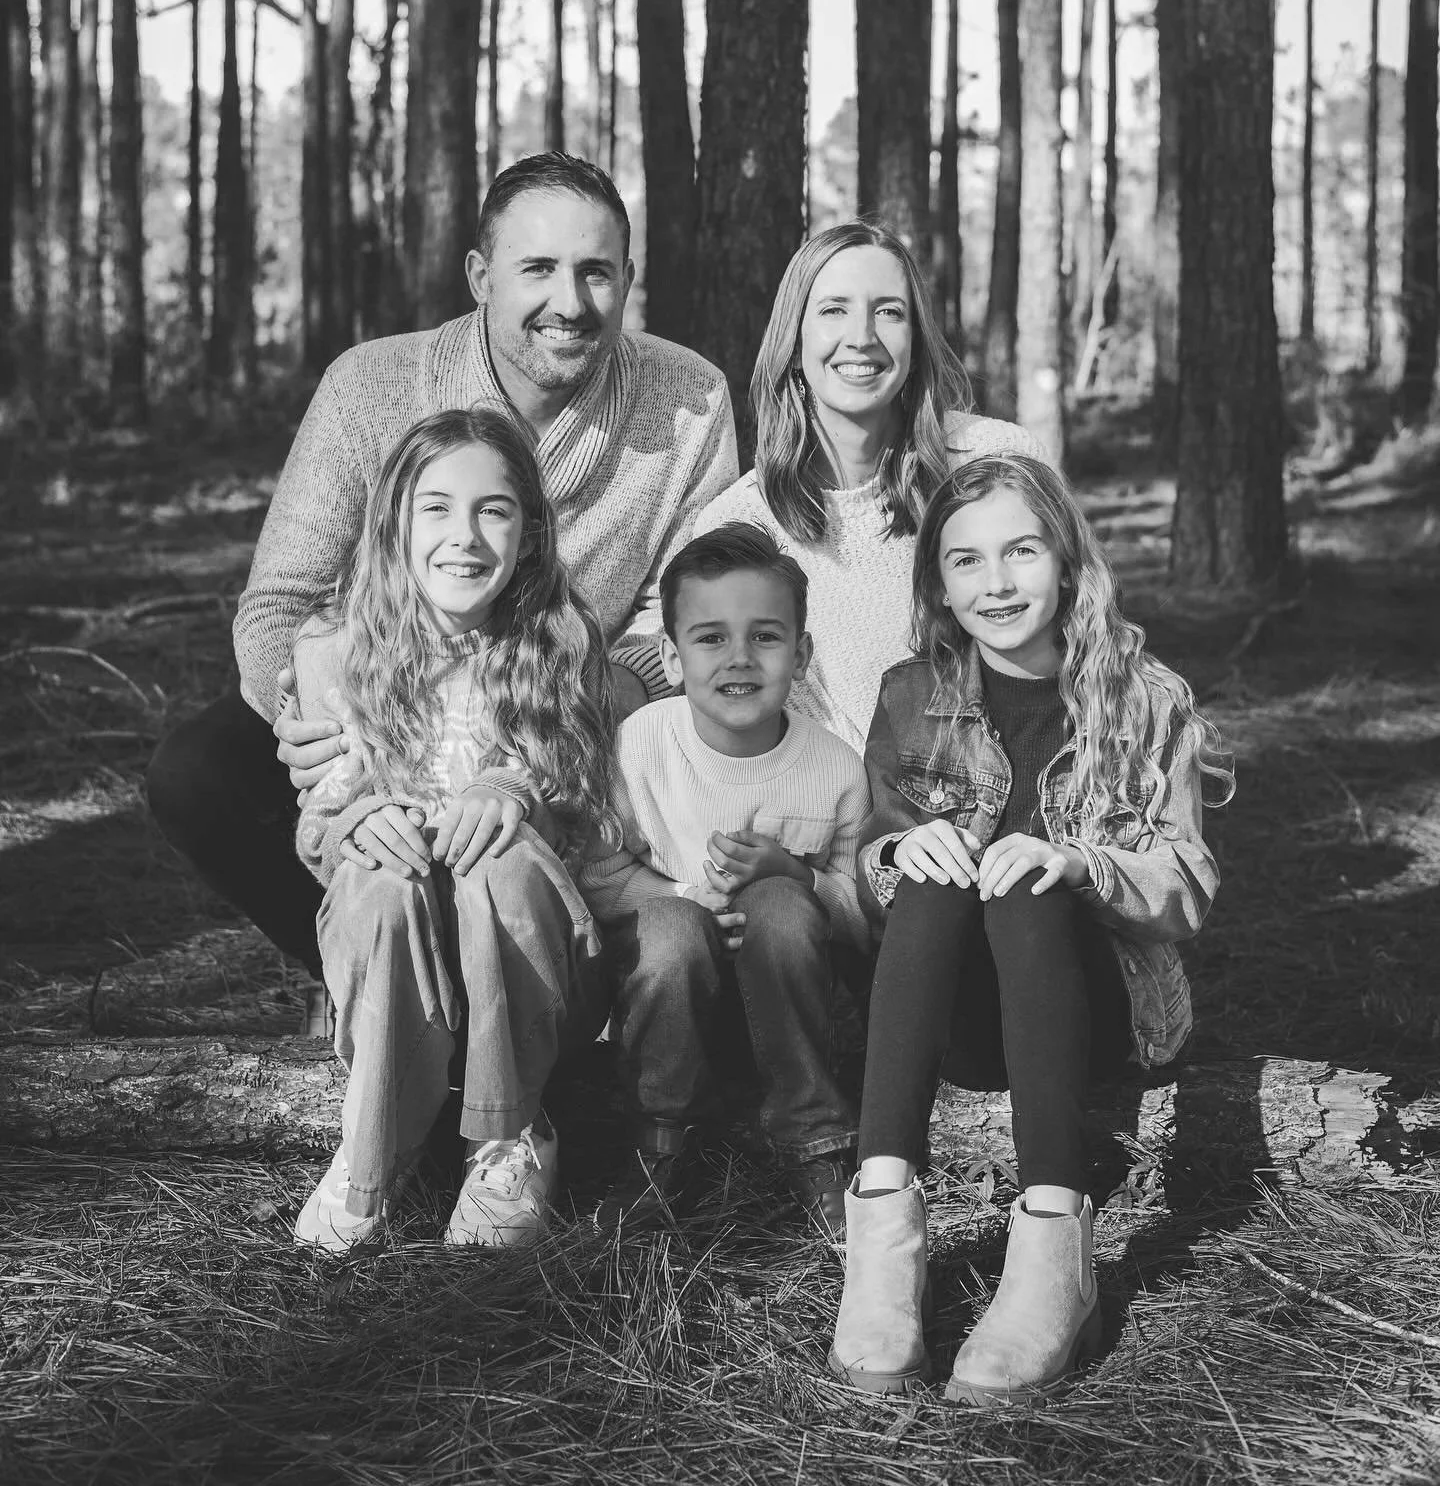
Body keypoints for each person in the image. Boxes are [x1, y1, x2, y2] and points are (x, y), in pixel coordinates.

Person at [146, 153, 736, 1020]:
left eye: (595, 271)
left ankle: (548, 993)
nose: (568, 302)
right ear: (479, 276)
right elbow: (280, 602)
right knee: (195, 773)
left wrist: (558, 721)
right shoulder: (371, 385)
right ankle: (373, 981)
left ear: (628, 280)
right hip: (381, 705)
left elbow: (687, 618)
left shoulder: (689, 400)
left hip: (566, 713)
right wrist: (325, 727)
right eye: (536, 268)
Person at [828, 453, 1231, 1403]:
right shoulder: (907, 694)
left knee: (1029, 880)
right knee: (932, 869)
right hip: (966, 1019)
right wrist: (897, 855)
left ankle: (1055, 1235)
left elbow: (1188, 884)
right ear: (937, 583)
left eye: (1021, 551)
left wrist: (1081, 864)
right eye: (965, 561)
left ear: (1067, 559)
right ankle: (882, 1232)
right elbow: (868, 860)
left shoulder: (1148, 700)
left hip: (1102, 1015)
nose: (997, 582)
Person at [290, 408, 617, 1253]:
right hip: (395, 959)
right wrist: (360, 818)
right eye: (436, 507)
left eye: (494, 509)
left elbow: (586, 815)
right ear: (395, 520)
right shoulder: (335, 649)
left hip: (526, 970)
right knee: (377, 874)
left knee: (500, 858)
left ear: (530, 530)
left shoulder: (560, 640)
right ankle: (375, 1147)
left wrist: (516, 789)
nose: (464, 537)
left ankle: (507, 1136)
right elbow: (318, 829)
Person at [580, 524, 872, 1239]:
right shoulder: (641, 745)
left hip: (789, 1002)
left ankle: (815, 1143)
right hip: (666, 1001)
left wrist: (793, 873)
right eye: (710, 638)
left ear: (801, 655)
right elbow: (595, 876)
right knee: (674, 930)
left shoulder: (834, 767)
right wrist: (686, 899)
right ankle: (659, 1146)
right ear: (671, 659)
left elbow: (864, 912)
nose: (739, 658)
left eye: (765, 638)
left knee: (777, 903)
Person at [694, 220, 1048, 755]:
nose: (862, 336)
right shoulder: (740, 523)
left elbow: (1086, 637)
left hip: (1014, 797)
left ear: (916, 340)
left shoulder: (994, 459)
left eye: (889, 311)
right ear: (794, 340)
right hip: (829, 817)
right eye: (834, 310)